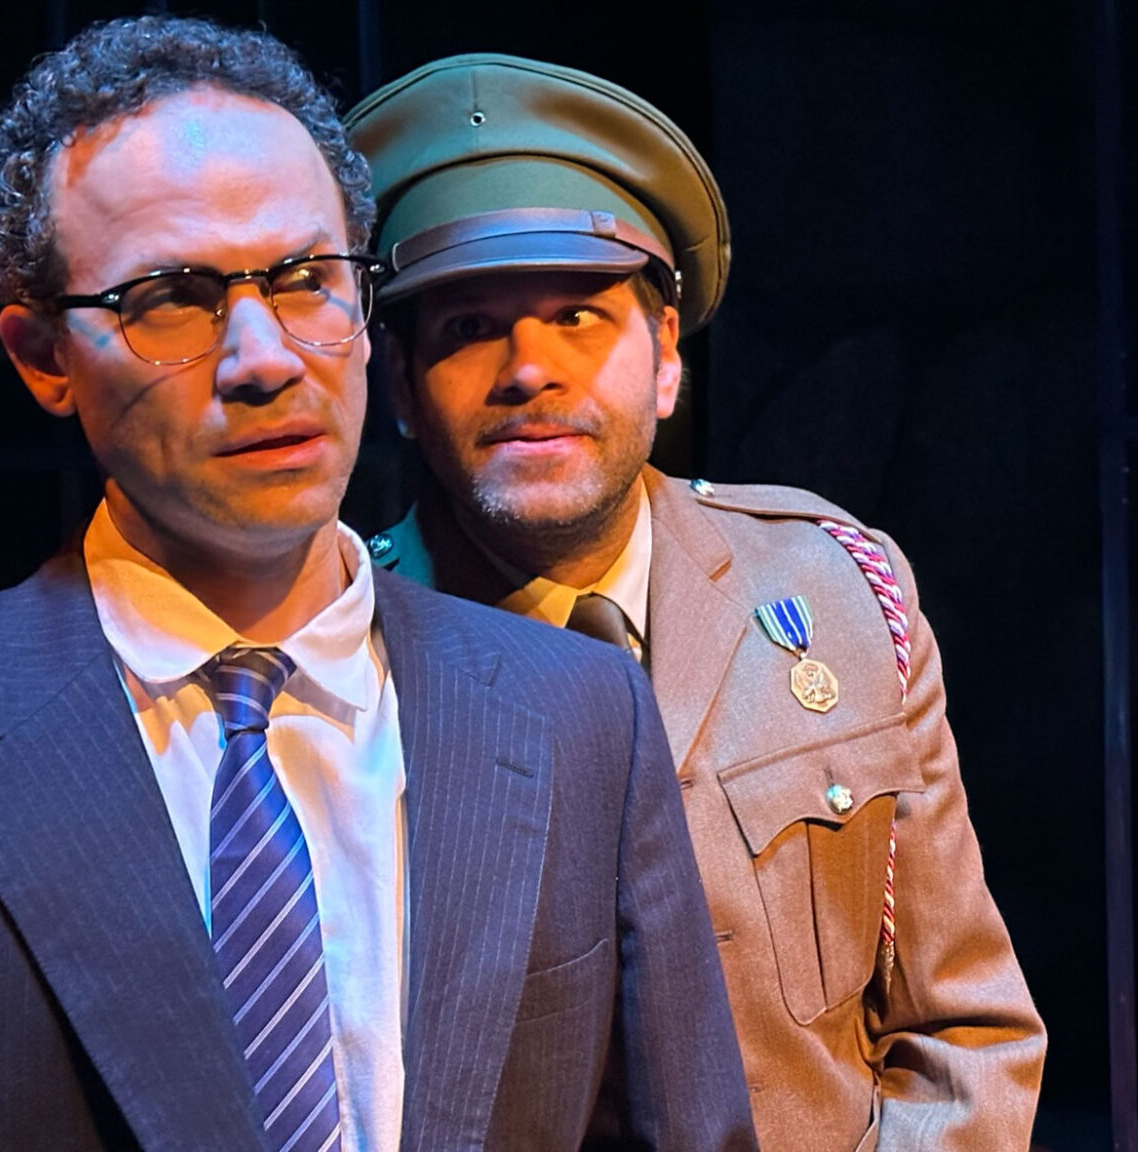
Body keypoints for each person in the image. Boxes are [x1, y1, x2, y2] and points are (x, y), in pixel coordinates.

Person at [0, 19, 755, 1151]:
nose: (264, 358)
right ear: (44, 355)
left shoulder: (582, 714)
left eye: (307, 279)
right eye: (171, 296)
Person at [345, 54, 1046, 1151]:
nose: (528, 369)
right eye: (469, 326)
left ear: (666, 355)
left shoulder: (837, 590)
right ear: (399, 384)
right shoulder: (342, 663)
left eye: (579, 315)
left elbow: (968, 1033)